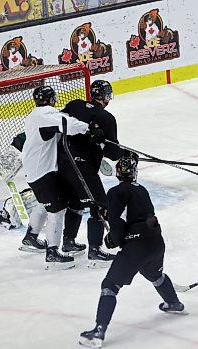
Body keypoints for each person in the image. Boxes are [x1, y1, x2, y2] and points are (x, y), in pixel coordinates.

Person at [79, 155, 185, 348]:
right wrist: (108, 214)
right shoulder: (142, 190)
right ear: (134, 173)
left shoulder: (115, 191)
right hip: (155, 242)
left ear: (118, 173)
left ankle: (98, 332)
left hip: (136, 246)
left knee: (110, 285)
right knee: (155, 274)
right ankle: (174, 303)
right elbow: (136, 213)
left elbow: (118, 222)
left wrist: (114, 239)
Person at [22, 85, 91, 269]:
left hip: (33, 169)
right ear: (52, 99)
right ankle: (52, 253)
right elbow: (69, 125)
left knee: (43, 203)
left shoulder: (34, 115)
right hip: (42, 172)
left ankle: (31, 237)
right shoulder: (45, 115)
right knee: (57, 210)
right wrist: (89, 128)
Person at [57, 80, 124, 266]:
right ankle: (94, 250)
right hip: (83, 166)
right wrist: (124, 153)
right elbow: (112, 152)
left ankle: (68, 241)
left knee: (75, 202)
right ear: (106, 97)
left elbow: (58, 123)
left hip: (62, 162)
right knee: (100, 205)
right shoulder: (107, 118)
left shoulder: (74, 104)